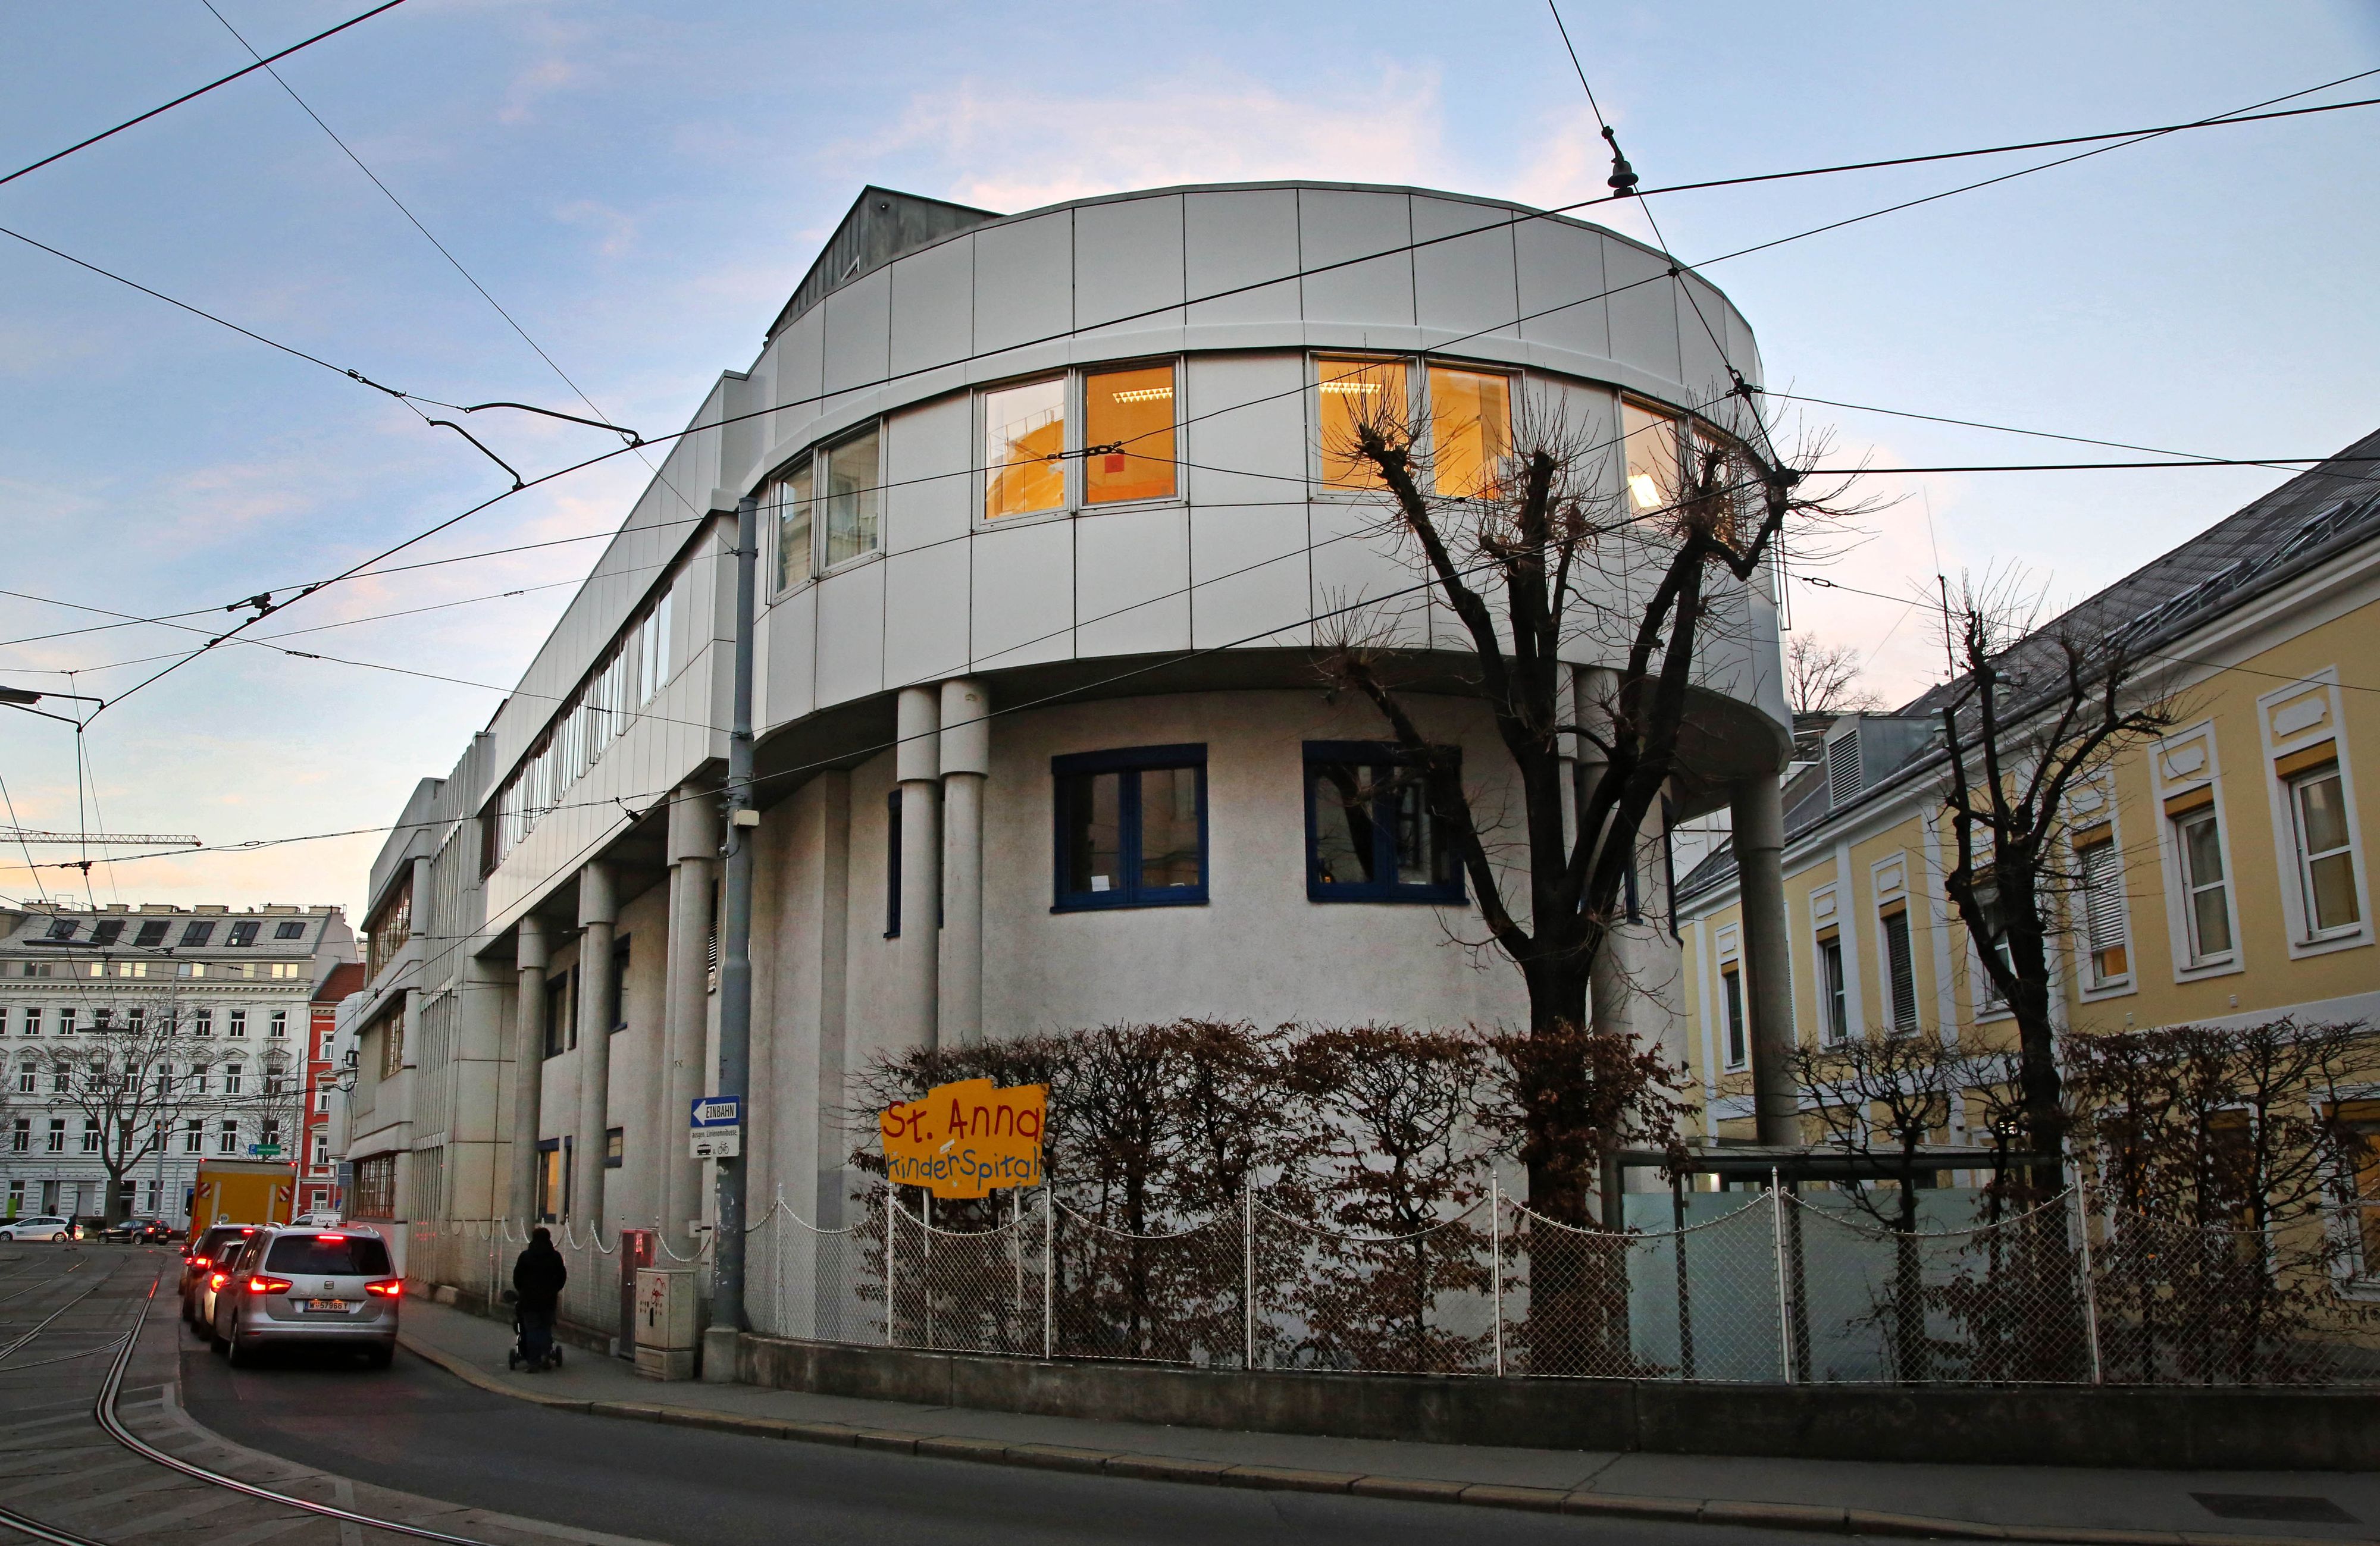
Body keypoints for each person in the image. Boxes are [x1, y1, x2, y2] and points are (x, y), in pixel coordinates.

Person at [511, 1227, 568, 1371]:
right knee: (545, 1329)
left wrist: (522, 1290)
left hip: (529, 1301)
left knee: (532, 1331)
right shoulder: (555, 1257)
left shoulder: (525, 1257)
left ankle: (534, 1361)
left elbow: (517, 1278)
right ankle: (546, 1356)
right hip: (549, 1301)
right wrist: (555, 1289)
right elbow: (562, 1277)